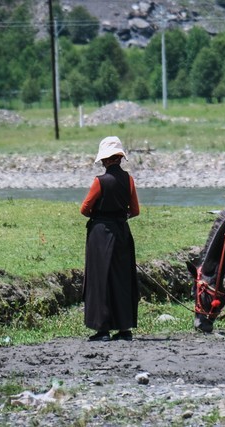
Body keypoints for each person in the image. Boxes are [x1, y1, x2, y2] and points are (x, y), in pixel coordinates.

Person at [80, 136, 140, 342]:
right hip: (122, 233)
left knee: (100, 279)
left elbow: (84, 209)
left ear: (105, 160)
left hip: (100, 234)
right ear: (120, 158)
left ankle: (102, 329)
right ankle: (124, 330)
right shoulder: (129, 180)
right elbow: (136, 210)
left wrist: (103, 216)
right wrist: (119, 217)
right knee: (122, 279)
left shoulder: (99, 182)